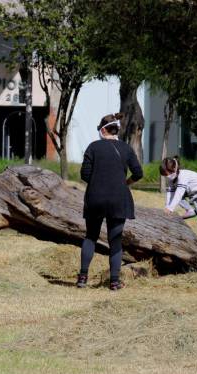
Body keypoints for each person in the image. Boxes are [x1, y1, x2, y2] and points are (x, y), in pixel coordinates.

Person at [78, 113, 143, 290]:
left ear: (104, 129)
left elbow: (84, 174)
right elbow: (138, 173)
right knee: (115, 240)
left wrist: (99, 181)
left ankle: (82, 277)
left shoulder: (93, 147)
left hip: (95, 198)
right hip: (118, 198)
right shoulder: (126, 149)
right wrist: (125, 183)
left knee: (91, 236)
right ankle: (114, 281)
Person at [160, 156, 197, 240]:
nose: (167, 177)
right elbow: (170, 192)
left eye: (167, 174)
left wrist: (170, 208)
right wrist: (167, 206)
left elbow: (179, 193)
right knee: (176, 196)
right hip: (191, 192)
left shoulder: (183, 176)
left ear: (174, 169)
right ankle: (190, 210)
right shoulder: (172, 177)